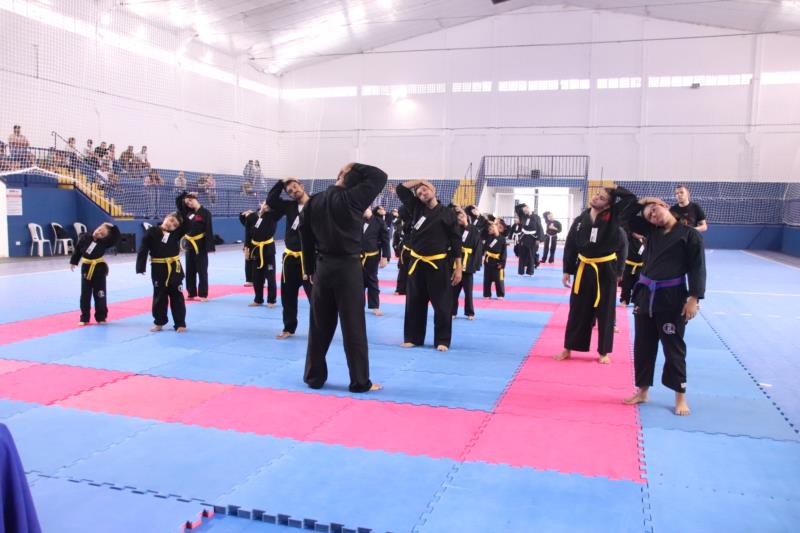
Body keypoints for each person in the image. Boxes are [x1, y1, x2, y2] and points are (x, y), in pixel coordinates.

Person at [300, 163, 387, 393]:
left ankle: (313, 377)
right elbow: (380, 175)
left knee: (318, 325)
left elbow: (305, 236)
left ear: (339, 176)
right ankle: (359, 381)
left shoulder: (313, 201)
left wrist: (309, 268)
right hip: (348, 268)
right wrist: (354, 165)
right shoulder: (354, 198)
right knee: (353, 326)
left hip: (322, 267)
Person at [624, 197, 706, 416]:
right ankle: (642, 391)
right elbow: (625, 217)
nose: (653, 215)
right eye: (649, 215)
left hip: (672, 298)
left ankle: (680, 396)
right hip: (645, 296)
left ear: (665, 206)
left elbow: (698, 267)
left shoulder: (690, 235)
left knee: (673, 348)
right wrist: (643, 202)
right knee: (643, 346)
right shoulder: (651, 232)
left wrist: (694, 298)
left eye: (654, 210)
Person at [557, 185, 637, 364]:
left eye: (601, 198)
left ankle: (603, 351)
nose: (595, 198)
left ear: (608, 204)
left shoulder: (614, 216)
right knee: (577, 309)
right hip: (583, 267)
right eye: (596, 195)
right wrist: (567, 270)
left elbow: (631, 199)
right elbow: (570, 245)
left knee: (606, 311)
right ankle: (568, 348)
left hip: (606, 269)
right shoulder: (580, 219)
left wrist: (615, 189)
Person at [396, 179, 463, 351]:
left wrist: (458, 267)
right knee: (414, 302)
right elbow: (401, 189)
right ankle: (413, 338)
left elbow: (456, 241)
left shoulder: (448, 213)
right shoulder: (416, 208)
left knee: (442, 304)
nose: (422, 194)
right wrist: (419, 181)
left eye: (424, 190)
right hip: (417, 263)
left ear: (433, 190)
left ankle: (442, 340)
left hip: (438, 264)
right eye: (419, 193)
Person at [267, 178, 312, 339]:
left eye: (295, 187)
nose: (294, 191)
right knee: (288, 296)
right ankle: (289, 328)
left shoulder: (315, 204)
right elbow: (271, 200)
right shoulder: (289, 206)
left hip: (309, 259)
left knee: (315, 297)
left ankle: (319, 330)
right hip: (290, 259)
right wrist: (281, 182)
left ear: (301, 185)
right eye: (290, 191)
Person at [136, 212, 190, 332]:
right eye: (171, 220)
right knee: (159, 296)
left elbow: (187, 224)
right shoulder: (152, 231)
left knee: (177, 296)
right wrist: (140, 267)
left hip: (174, 269)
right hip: (158, 268)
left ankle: (180, 323)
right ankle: (159, 322)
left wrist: (183, 205)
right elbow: (143, 248)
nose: (171, 224)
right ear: (165, 218)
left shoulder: (176, 233)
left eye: (175, 225)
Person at [70, 222, 120, 325]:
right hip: (86, 267)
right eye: (99, 230)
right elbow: (78, 250)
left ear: (104, 237)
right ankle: (84, 318)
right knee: (85, 294)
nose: (99, 233)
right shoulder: (85, 237)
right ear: (97, 228)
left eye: (102, 234)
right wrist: (73, 261)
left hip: (99, 268)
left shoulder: (105, 242)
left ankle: (101, 317)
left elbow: (116, 237)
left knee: (100, 293)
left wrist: (112, 227)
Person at [176, 191, 214, 301]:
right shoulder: (188, 212)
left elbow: (208, 229)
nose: (189, 203)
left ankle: (203, 294)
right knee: (190, 270)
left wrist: (209, 246)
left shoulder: (205, 213)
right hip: (189, 245)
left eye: (190, 200)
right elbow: (178, 203)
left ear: (195, 199)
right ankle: (191, 293)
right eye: (187, 203)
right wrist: (185, 194)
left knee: (202, 271)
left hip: (200, 246)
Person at [242, 201, 279, 307]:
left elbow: (270, 231)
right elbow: (248, 234)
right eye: (264, 203)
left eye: (268, 205)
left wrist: (263, 215)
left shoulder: (272, 216)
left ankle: (271, 300)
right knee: (256, 277)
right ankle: (258, 299)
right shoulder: (251, 217)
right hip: (256, 250)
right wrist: (246, 248)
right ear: (260, 204)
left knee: (270, 276)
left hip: (268, 251)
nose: (266, 206)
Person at [452, 205, 482, 319]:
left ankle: (470, 312)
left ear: (466, 216)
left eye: (461, 216)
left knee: (468, 292)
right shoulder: (456, 229)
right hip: (457, 262)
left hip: (468, 263)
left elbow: (478, 248)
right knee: (454, 291)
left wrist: (476, 264)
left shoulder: (474, 230)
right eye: (458, 218)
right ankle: (452, 312)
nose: (460, 219)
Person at [361, 206, 391, 316]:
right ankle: (358, 306)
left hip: (372, 257)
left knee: (372, 281)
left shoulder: (379, 222)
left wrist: (385, 257)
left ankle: (375, 306)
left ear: (369, 208)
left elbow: (385, 240)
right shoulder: (357, 219)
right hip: (357, 257)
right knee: (357, 282)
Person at [514, 203, 544, 276]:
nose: (525, 211)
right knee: (522, 255)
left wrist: (539, 239)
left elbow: (539, 227)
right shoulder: (522, 215)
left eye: (526, 210)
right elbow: (516, 207)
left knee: (531, 255)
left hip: (532, 238)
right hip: (523, 237)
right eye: (524, 211)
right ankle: (521, 272)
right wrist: (523, 205)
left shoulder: (536, 217)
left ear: (528, 208)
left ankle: (530, 272)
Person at [620, 226, 645, 305]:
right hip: (628, 264)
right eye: (637, 232)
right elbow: (627, 227)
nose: (639, 234)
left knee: (639, 284)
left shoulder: (646, 240)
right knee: (626, 284)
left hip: (640, 266)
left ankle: (637, 302)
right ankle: (624, 300)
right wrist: (632, 232)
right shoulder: (630, 237)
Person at [483, 221, 507, 299]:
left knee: (498, 279)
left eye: (493, 227)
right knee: (487, 278)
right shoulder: (488, 237)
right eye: (490, 228)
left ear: (497, 228)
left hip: (497, 261)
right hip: (488, 260)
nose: (491, 229)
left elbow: (504, 252)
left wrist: (502, 263)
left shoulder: (502, 239)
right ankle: (487, 294)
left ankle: (500, 294)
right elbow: (484, 248)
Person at [393, 206, 412, 295]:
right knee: (403, 269)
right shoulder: (399, 223)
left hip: (415, 250)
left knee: (412, 271)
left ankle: (410, 289)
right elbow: (396, 236)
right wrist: (396, 249)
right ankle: (400, 289)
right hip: (404, 249)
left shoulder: (414, 222)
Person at [239, 209, 255, 287]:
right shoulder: (247, 223)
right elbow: (241, 217)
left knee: (258, 263)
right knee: (248, 262)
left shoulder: (259, 221)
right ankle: (249, 280)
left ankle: (260, 280)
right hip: (248, 245)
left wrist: (252, 214)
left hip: (257, 245)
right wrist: (244, 213)